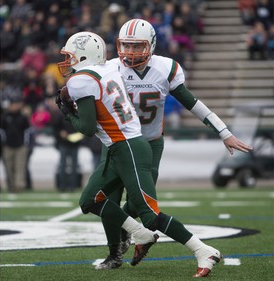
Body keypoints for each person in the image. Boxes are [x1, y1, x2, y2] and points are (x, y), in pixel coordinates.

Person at [56, 31, 230, 278]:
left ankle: (203, 250)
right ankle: (137, 234)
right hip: (123, 146)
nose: (67, 61)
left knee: (149, 214)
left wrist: (67, 112)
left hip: (127, 148)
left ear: (84, 56)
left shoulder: (82, 80)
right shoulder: (108, 70)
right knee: (89, 200)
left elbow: (86, 128)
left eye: (70, 56)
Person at [98, 19, 253, 277]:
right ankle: (114, 253)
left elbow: (192, 103)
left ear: (151, 46)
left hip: (148, 144)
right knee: (107, 199)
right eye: (126, 45)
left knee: (139, 203)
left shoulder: (165, 68)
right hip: (115, 142)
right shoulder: (110, 68)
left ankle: (130, 232)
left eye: (137, 46)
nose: (130, 52)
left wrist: (223, 132)